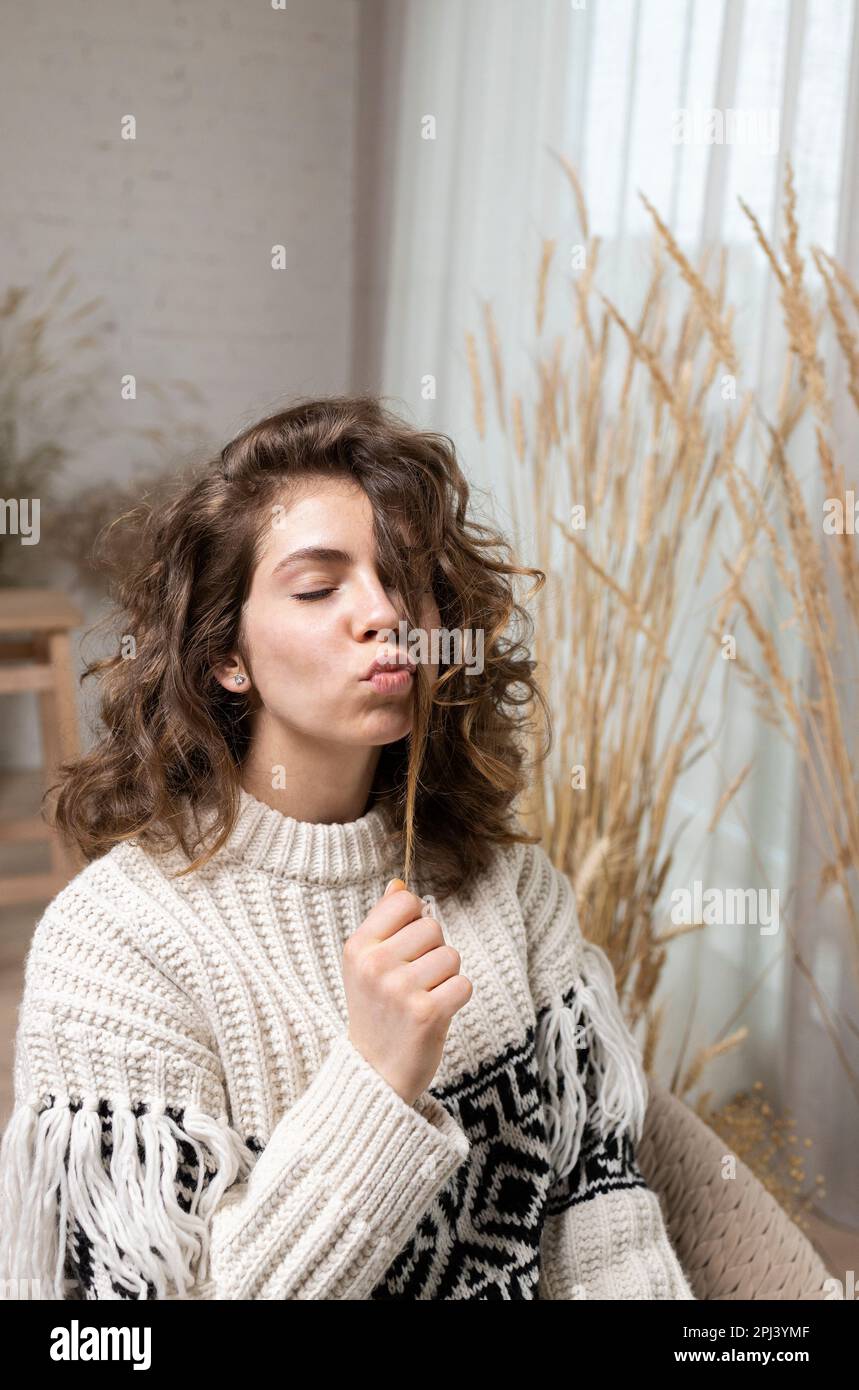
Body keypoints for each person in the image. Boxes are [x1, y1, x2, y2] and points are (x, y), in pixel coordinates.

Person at [0, 395, 694, 1300]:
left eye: (400, 578)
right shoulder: (114, 946)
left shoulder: (511, 888)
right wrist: (376, 1081)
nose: (381, 614)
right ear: (225, 654)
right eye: (319, 587)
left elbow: (605, 1234)